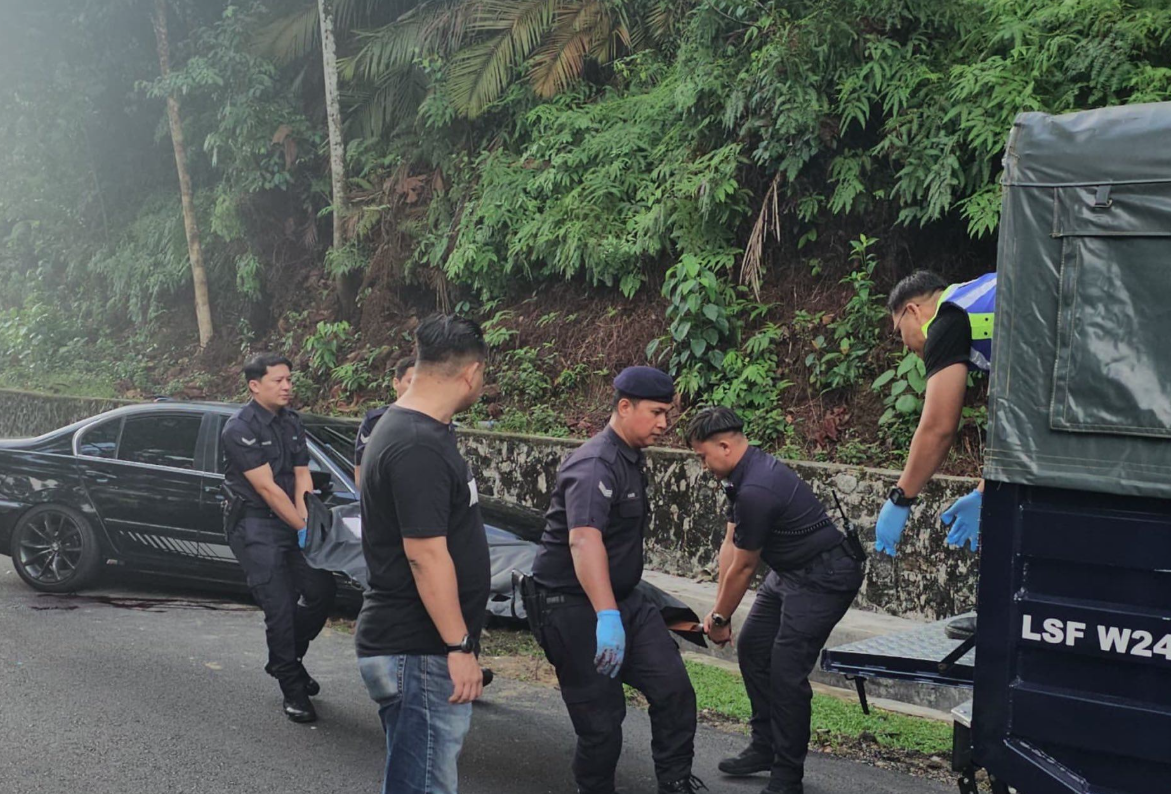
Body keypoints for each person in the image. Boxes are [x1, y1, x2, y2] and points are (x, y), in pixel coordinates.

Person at [530, 366, 705, 794]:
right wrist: (606, 615)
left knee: (674, 689)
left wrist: (620, 606)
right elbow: (584, 541)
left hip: (626, 599)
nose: (665, 424)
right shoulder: (594, 464)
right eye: (657, 413)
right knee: (602, 723)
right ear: (624, 407)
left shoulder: (630, 456)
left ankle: (676, 781)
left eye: (669, 414)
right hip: (571, 605)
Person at [686, 407, 863, 794]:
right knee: (753, 646)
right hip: (790, 572)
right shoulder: (741, 476)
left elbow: (746, 568)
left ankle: (787, 776)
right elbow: (730, 548)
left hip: (825, 576)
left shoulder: (757, 489)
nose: (703, 465)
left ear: (724, 445)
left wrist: (718, 618)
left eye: (703, 456)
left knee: (785, 672)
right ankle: (765, 746)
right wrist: (720, 613)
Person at [354, 315, 490, 794]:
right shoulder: (417, 443)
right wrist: (459, 646)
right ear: (471, 373)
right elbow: (425, 556)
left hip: (413, 646)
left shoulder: (412, 430)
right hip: (421, 648)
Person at [875, 270, 995, 637]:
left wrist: (901, 497)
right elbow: (1020, 414)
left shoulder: (948, 317)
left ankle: (1003, 616)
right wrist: (985, 489)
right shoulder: (981, 299)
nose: (905, 345)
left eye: (899, 332)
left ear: (913, 310)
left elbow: (939, 426)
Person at [221, 352, 337, 723]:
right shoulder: (239, 428)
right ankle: (292, 685)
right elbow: (268, 489)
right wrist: (303, 529)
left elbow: (302, 475)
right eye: (279, 381)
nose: (288, 386)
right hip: (255, 525)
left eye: (290, 379)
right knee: (281, 606)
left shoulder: (292, 422)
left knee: (322, 591)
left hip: (291, 519)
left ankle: (284, 658)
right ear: (255, 386)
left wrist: (306, 523)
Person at [353, 355, 416, 487]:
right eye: (410, 382)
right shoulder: (375, 422)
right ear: (396, 383)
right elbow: (361, 473)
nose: (415, 388)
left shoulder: (436, 422)